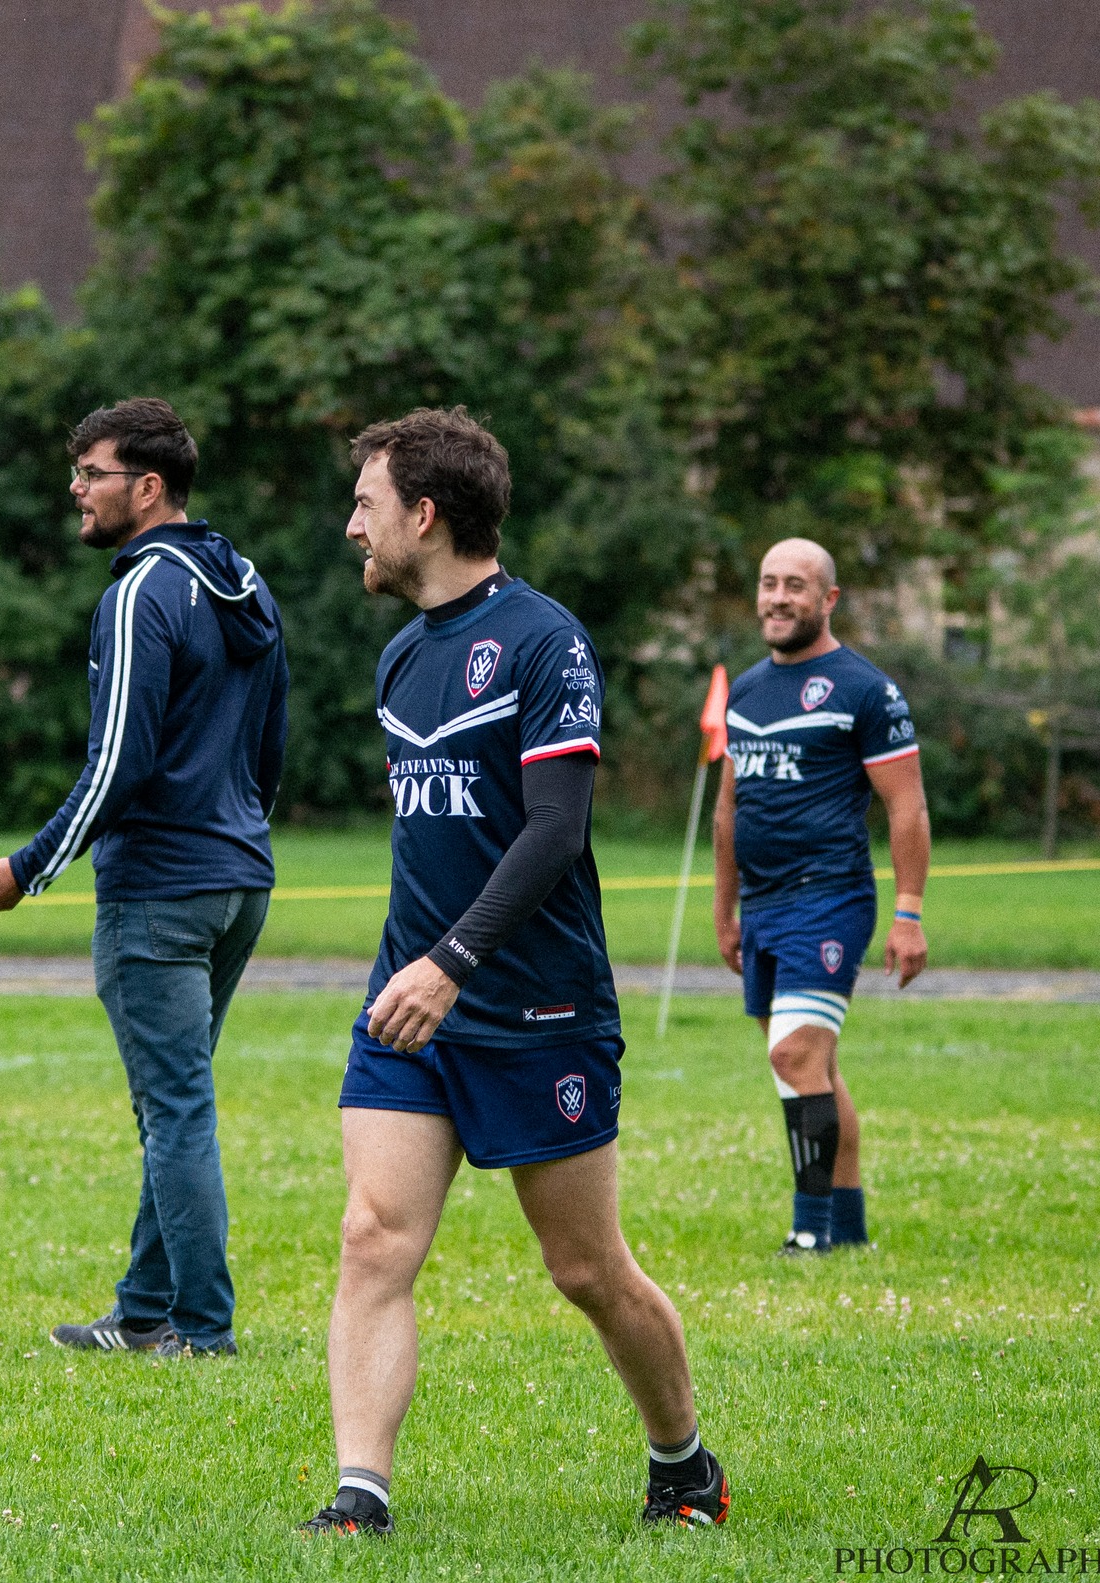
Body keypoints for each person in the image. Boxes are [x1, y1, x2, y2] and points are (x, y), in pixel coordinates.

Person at [302, 408, 727, 1537]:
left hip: (534, 1005)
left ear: (424, 514)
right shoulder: (398, 655)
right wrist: (420, 967)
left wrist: (454, 959)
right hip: (408, 1003)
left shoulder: (544, 641)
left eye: (366, 503)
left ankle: (682, 1460)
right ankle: (360, 1495)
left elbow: (551, 830)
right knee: (371, 1236)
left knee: (586, 1269)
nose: (352, 524)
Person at [0, 397, 289, 1359]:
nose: (76, 488)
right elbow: (271, 740)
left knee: (175, 1106)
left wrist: (29, 867)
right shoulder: (246, 582)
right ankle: (144, 1309)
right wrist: (238, 831)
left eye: (91, 473)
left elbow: (120, 760)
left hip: (160, 889)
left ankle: (202, 1328)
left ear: (147, 487)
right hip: (240, 878)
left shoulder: (143, 590)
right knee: (172, 1097)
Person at [713, 537, 929, 1256]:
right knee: (815, 1065)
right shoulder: (743, 692)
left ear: (828, 599)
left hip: (830, 898)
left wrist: (909, 912)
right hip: (764, 908)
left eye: (796, 585)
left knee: (795, 1055)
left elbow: (907, 808)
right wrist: (725, 911)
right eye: (769, 582)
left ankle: (812, 1232)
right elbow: (727, 813)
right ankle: (851, 1226)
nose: (779, 597)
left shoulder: (866, 689)